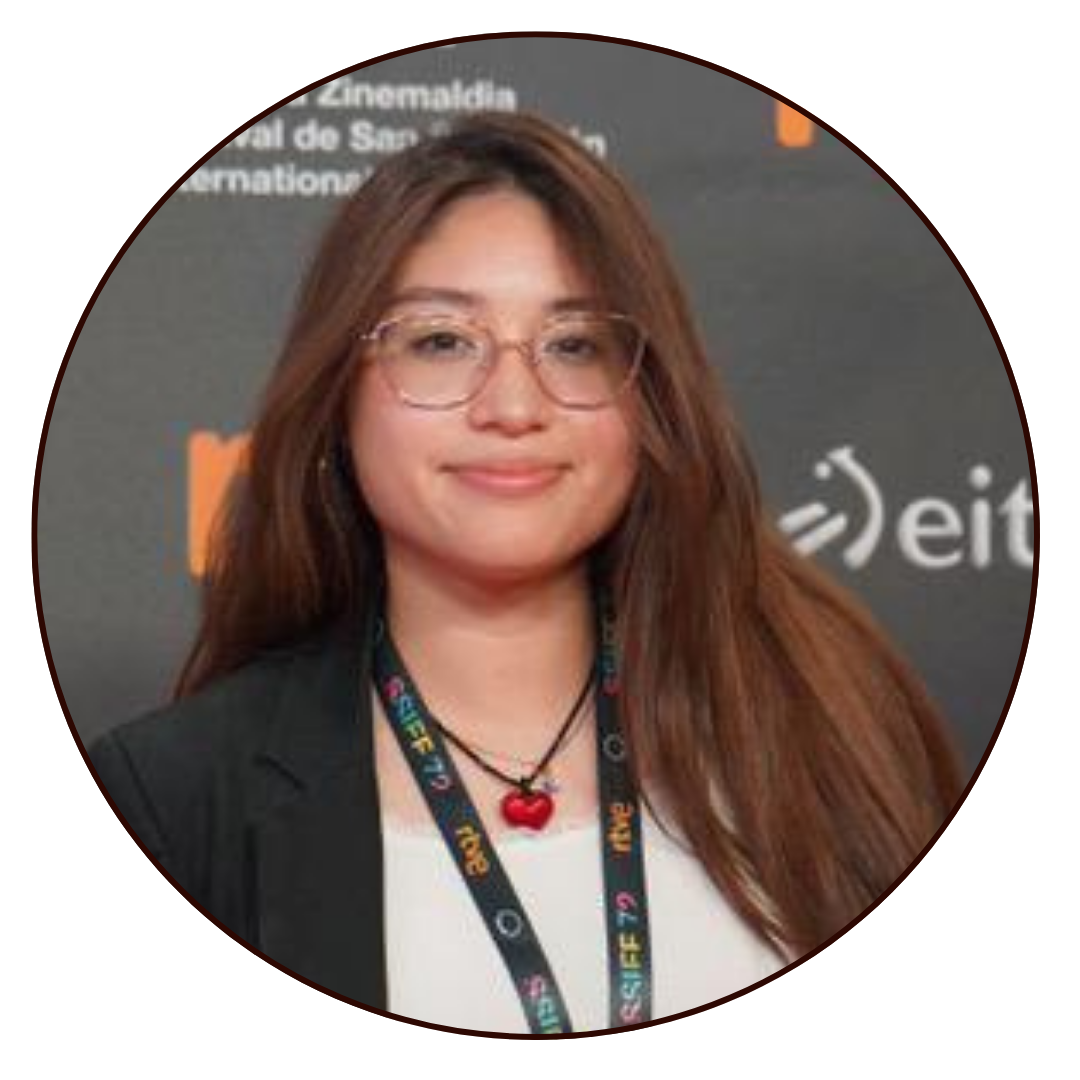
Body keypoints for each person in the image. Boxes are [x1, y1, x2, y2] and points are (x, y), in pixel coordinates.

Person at [89, 112, 962, 1033]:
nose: (513, 404)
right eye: (441, 340)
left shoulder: (835, 723)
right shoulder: (178, 799)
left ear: (651, 398)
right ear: (337, 394)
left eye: (574, 344)